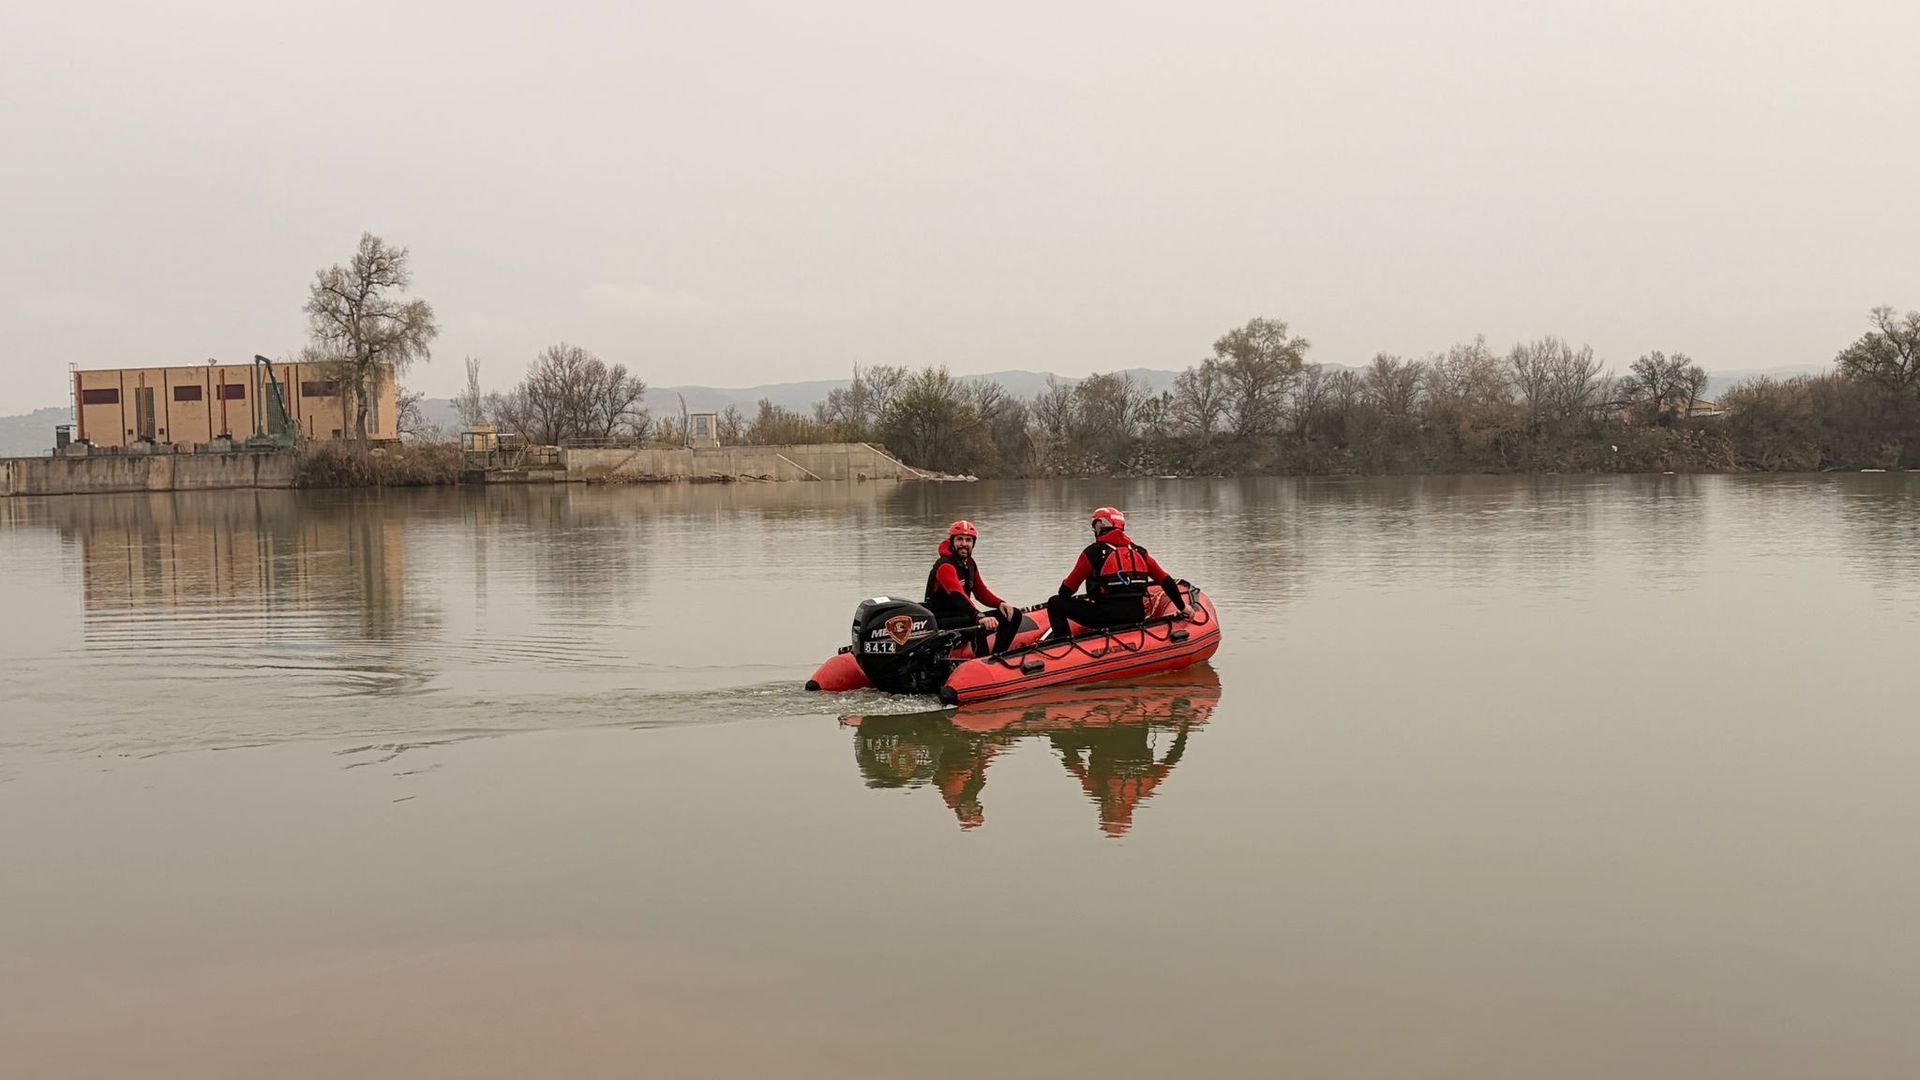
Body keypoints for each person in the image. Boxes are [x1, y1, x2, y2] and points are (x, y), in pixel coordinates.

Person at [1042, 506, 1188, 640]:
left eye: (1096, 526)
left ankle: (1062, 645)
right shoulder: (1140, 552)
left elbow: (1066, 591)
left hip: (1104, 617)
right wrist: (1183, 607)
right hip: (1136, 616)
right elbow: (1166, 580)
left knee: (1056, 603)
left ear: (1101, 526)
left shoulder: (1093, 552)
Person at [924, 520, 1020, 655]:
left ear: (973, 543)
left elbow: (981, 592)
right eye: (960, 539)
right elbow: (957, 594)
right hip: (941, 619)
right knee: (976, 625)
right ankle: (983, 659)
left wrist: (1000, 603)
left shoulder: (969, 563)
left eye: (968, 540)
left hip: (964, 615)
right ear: (952, 541)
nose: (964, 544)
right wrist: (978, 616)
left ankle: (999, 654)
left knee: (1014, 614)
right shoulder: (945, 566)